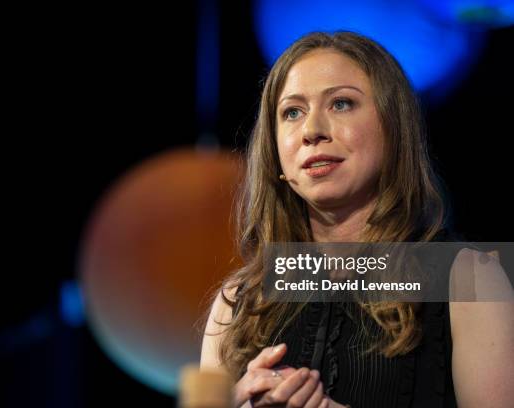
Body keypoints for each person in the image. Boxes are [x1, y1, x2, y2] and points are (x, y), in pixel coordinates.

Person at [199, 31, 514, 407]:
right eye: (292, 112)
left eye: (342, 103)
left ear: (394, 128)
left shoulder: (470, 279)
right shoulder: (235, 301)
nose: (312, 131)